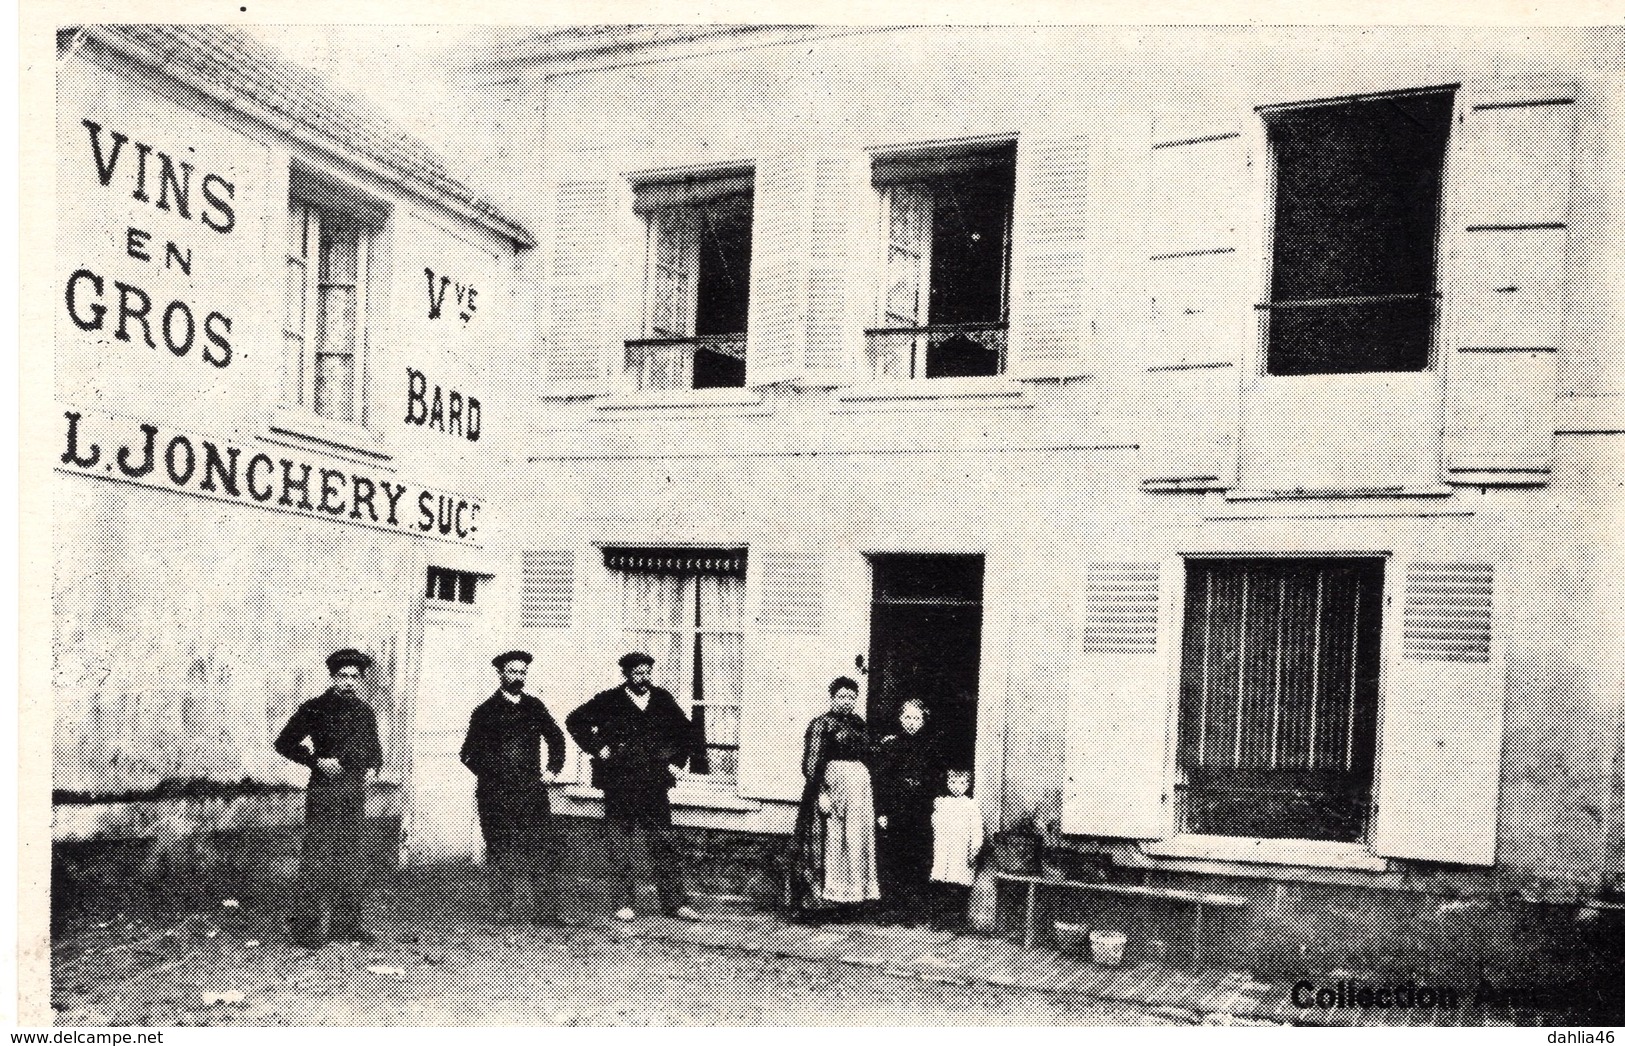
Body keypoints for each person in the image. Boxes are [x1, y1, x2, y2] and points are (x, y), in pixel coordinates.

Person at [565, 652, 703, 922]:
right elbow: (575, 721)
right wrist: (598, 748)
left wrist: (676, 762)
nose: (644, 678)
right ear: (626, 674)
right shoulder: (609, 700)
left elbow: (686, 731)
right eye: (638, 673)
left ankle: (675, 903)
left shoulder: (662, 699)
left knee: (663, 842)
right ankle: (624, 903)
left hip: (654, 783)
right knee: (620, 844)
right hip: (619, 782)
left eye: (647, 672)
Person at [273, 648, 383, 948]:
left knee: (351, 860)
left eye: (354, 677)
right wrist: (315, 761)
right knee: (316, 860)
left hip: (354, 793)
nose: (349, 682)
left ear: (360, 680)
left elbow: (375, 748)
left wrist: (374, 766)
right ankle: (305, 929)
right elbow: (284, 743)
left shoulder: (364, 710)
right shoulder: (314, 709)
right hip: (324, 792)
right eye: (343, 676)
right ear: (333, 677)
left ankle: (346, 926)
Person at [460, 650, 568, 926]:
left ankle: (545, 912)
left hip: (531, 792)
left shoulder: (534, 707)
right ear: (500, 674)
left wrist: (552, 770)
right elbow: (468, 754)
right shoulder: (485, 712)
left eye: (522, 672)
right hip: (495, 795)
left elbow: (557, 739)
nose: (518, 677)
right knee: (500, 849)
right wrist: (492, 775)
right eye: (512, 672)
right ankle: (502, 909)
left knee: (541, 849)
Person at [786, 676, 881, 921]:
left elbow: (868, 753)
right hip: (829, 791)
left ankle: (848, 902)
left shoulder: (859, 724)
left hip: (857, 795)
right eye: (841, 696)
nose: (847, 701)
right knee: (826, 843)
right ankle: (817, 905)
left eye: (851, 697)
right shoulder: (821, 724)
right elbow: (810, 765)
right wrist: (822, 793)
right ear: (832, 697)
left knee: (853, 841)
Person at [872, 698, 941, 926]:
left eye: (916, 718)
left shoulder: (931, 748)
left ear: (924, 721)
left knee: (917, 859)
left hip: (919, 813)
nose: (912, 722)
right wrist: (882, 811)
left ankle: (912, 910)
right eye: (908, 717)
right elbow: (881, 781)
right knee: (893, 859)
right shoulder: (890, 746)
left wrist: (932, 806)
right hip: (895, 811)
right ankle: (892, 907)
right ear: (900, 718)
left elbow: (935, 781)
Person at [929, 768, 985, 931]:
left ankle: (958, 921)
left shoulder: (970, 805)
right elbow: (936, 826)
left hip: (961, 851)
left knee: (959, 885)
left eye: (961, 783)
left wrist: (973, 850)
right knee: (941, 884)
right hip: (944, 850)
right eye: (952, 782)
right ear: (947, 783)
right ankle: (938, 920)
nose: (956, 786)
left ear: (968, 784)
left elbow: (976, 830)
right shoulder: (942, 803)